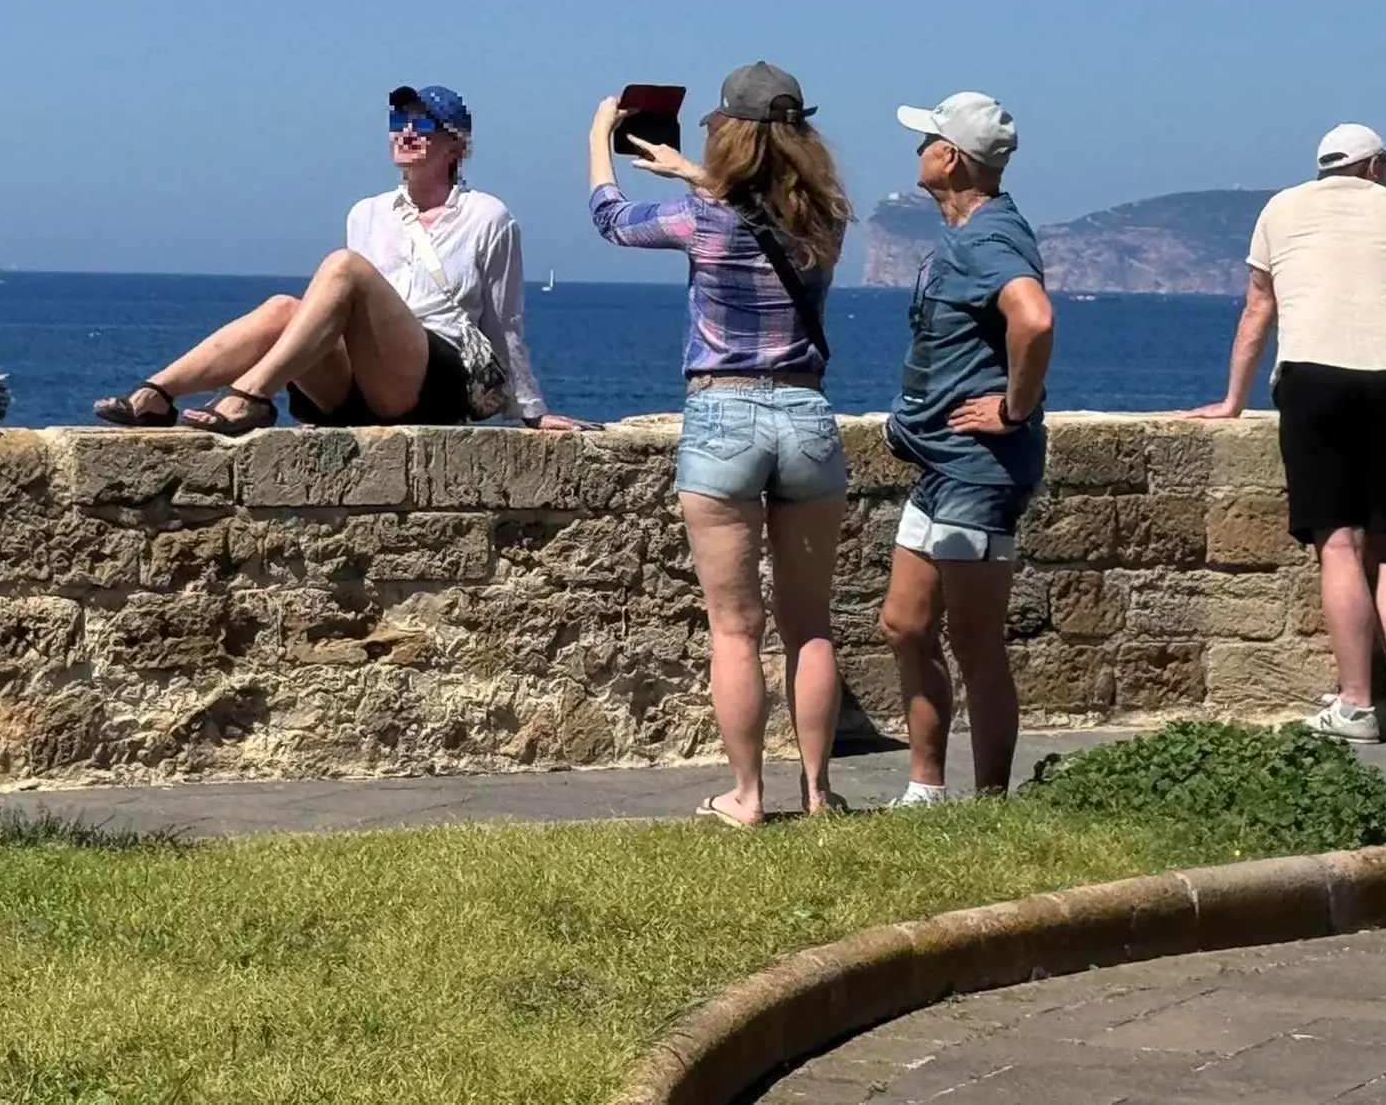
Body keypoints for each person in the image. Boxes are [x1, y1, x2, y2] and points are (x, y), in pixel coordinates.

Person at [588, 62, 853, 826]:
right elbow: (764, 203)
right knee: (810, 626)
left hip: (723, 415)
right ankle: (817, 792)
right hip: (805, 414)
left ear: (726, 136)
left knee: (735, 629)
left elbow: (610, 218)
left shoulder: (697, 217)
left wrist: (598, 141)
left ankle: (746, 796)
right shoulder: (826, 219)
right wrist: (692, 171)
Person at [95, 84, 593, 435]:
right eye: (400, 121)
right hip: (361, 382)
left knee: (344, 266)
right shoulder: (367, 213)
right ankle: (158, 393)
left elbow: (505, 322)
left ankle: (250, 394)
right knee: (281, 308)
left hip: (433, 380)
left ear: (455, 144)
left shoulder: (488, 216)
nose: (407, 131)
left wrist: (531, 410)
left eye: (424, 122)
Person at [1190, 124, 1386, 743]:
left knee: (1338, 542)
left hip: (1312, 377)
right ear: (1376, 166)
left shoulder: (1280, 208)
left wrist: (1232, 400)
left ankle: (1357, 705)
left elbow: (1258, 311)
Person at [878, 92, 1053, 804]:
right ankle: (925, 790)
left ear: (949, 157)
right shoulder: (977, 232)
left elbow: (1033, 320)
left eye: (925, 140)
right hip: (939, 466)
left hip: (976, 473)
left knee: (975, 643)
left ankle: (988, 801)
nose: (917, 150)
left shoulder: (986, 240)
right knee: (902, 624)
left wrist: (1014, 408)